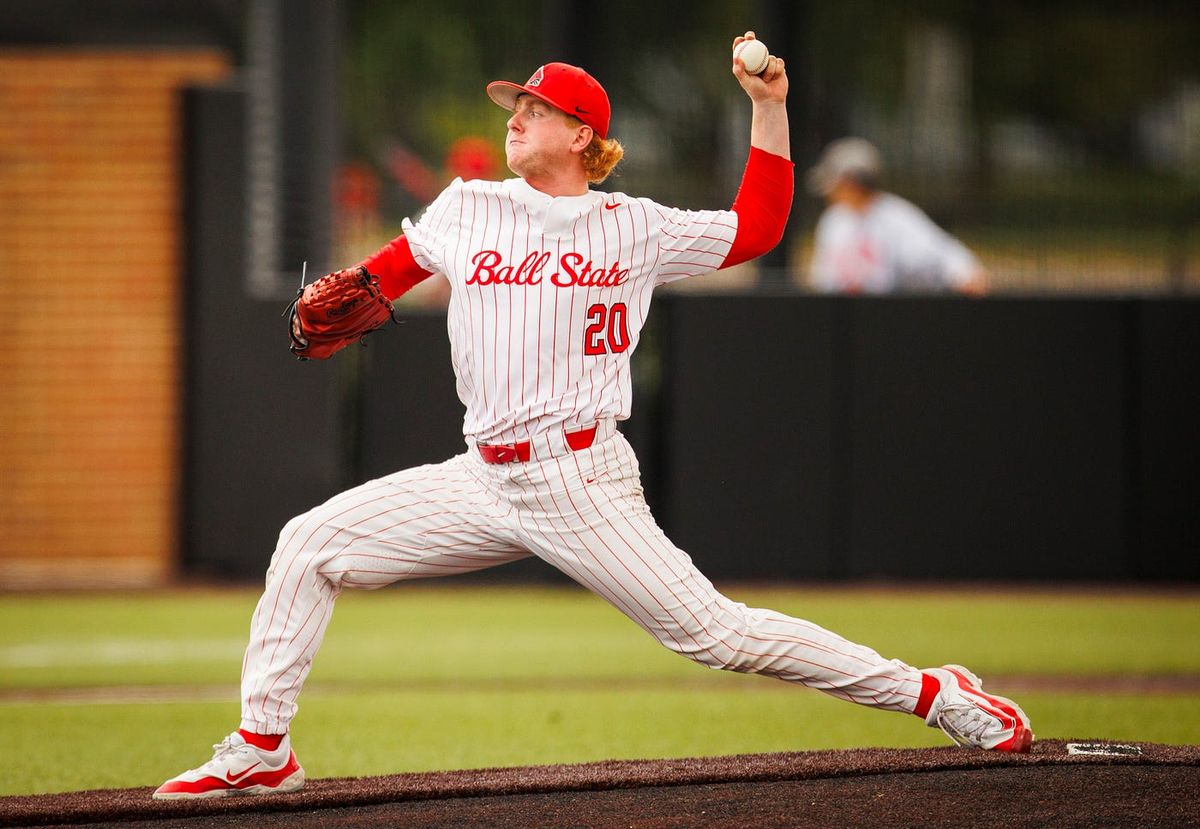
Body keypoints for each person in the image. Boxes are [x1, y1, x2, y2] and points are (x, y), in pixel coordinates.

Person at [154, 34, 1030, 800]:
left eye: (534, 108)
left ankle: (935, 693)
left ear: (581, 134)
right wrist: (357, 288)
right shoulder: (468, 206)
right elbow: (378, 278)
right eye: (513, 105)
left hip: (581, 477)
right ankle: (263, 748)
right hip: (481, 475)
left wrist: (769, 109)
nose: (515, 117)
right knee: (308, 544)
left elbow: (758, 227)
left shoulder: (632, 226)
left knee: (716, 635)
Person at [806, 137, 989, 295]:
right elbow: (822, 278)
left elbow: (943, 256)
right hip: (844, 320)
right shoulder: (834, 220)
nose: (829, 192)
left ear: (852, 183)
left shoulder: (895, 218)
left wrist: (965, 273)